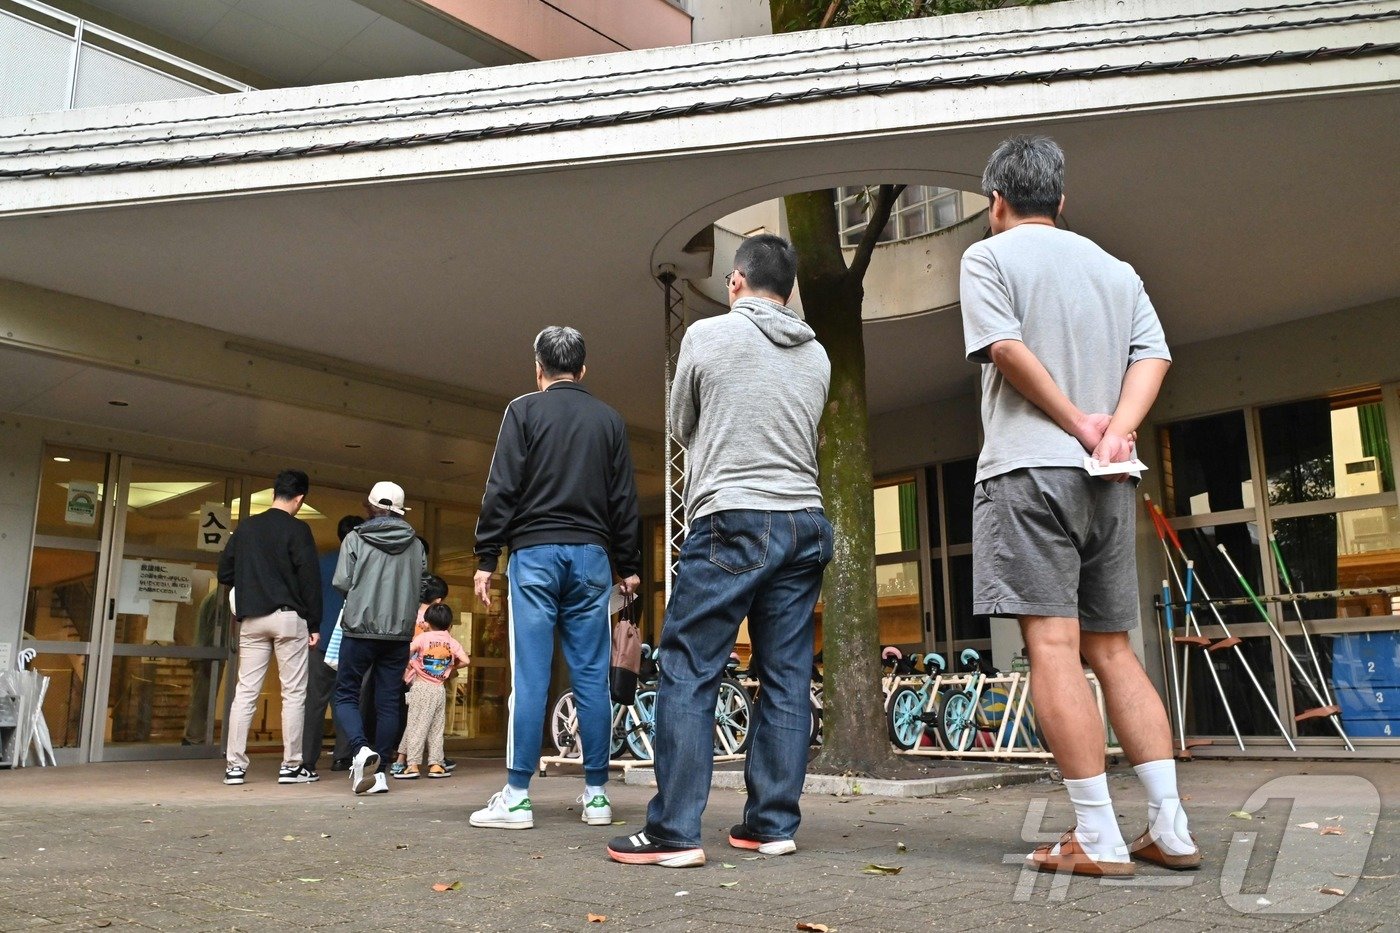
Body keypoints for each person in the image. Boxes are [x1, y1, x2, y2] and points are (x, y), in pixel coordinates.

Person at [958, 135, 1194, 876]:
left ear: (997, 200)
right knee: (1114, 648)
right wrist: (1115, 428)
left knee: (1053, 648)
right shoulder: (1116, 270)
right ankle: (1172, 825)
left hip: (1030, 471)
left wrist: (1074, 419)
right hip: (1107, 478)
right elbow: (1152, 354)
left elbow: (1003, 348)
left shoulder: (987, 258)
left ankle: (1095, 832)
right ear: (1060, 201)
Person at [607, 234, 831, 868]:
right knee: (786, 676)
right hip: (804, 521)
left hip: (731, 517)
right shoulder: (817, 355)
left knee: (689, 668)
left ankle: (674, 831)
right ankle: (771, 824)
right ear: (789, 290)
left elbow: (682, 425)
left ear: (735, 283)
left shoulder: (707, 336)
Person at [470, 325, 641, 831]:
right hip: (591, 557)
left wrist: (485, 556)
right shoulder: (609, 420)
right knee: (591, 676)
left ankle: (518, 798)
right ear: (583, 370)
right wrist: (629, 566)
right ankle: (596, 796)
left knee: (531, 676)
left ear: (538, 368)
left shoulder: (522, 411)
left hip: (535, 555)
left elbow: (502, 485)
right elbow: (623, 498)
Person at [216, 469, 322, 786]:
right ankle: (291, 767)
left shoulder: (246, 528)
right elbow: (309, 581)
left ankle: (234, 766)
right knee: (293, 694)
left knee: (245, 692)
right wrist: (315, 623)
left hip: (252, 619)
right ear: (300, 499)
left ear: (275, 492)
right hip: (289, 618)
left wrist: (251, 582)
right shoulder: (299, 530)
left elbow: (224, 572)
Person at [333, 481, 428, 796]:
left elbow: (342, 581)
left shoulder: (355, 538)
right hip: (399, 634)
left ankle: (360, 750)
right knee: (388, 701)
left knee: (346, 693)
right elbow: (422, 582)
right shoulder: (416, 545)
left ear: (369, 505)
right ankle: (382, 773)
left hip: (360, 628)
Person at [303, 514, 363, 774]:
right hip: (351, 641)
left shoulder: (322, 562)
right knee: (346, 700)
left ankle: (307, 758)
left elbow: (308, 597)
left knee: (314, 702)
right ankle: (342, 756)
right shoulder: (365, 564)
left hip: (321, 638)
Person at [395, 603, 469, 779]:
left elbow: (406, 651)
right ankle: (436, 764)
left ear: (426, 622)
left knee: (416, 727)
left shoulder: (423, 638)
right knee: (437, 728)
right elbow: (465, 660)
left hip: (421, 687)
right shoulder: (451, 641)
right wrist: (449, 669)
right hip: (439, 689)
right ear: (450, 625)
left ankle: (412, 765)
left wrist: (411, 665)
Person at [390, 574, 451, 776]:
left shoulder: (410, 614)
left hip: (409, 675)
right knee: (424, 721)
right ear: (439, 600)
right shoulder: (436, 622)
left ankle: (403, 759)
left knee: (416, 719)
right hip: (427, 680)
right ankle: (414, 762)